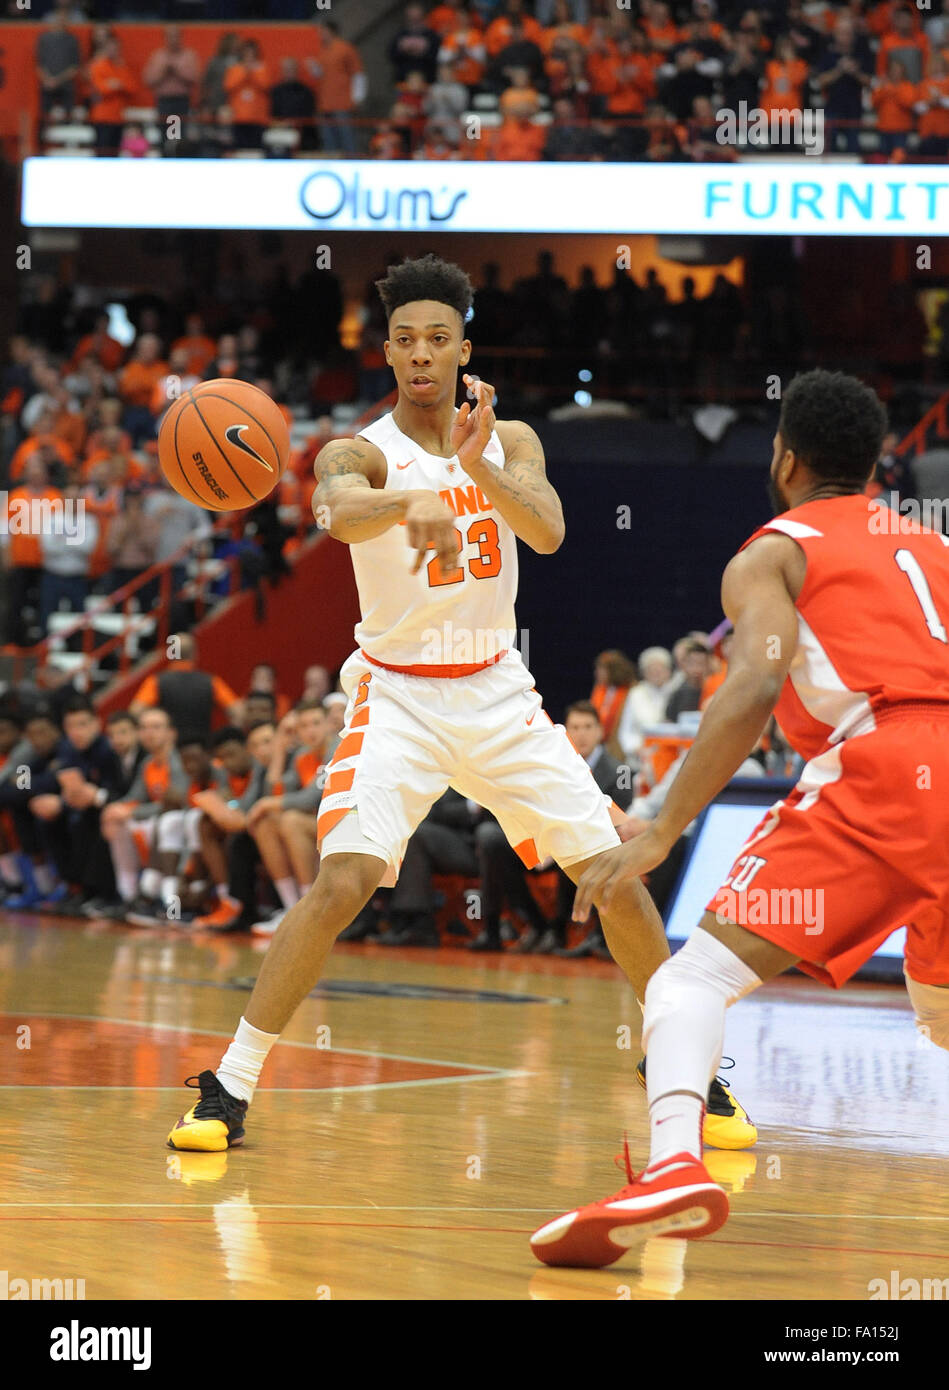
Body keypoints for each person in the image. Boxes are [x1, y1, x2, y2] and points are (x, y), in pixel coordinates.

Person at [168, 253, 754, 1155]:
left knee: (612, 872)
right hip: (397, 694)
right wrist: (411, 501)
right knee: (344, 881)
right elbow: (337, 510)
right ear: (389, 353)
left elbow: (549, 531)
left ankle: (684, 1064)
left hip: (494, 689)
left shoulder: (510, 439)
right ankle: (230, 1086)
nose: (420, 355)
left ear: (462, 348)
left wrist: (477, 469)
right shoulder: (358, 449)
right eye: (404, 340)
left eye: (437, 339)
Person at [531, 367, 949, 1266]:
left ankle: (676, 1166)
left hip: (883, 766)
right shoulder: (930, 545)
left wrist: (660, 829)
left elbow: (753, 682)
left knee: (689, 983)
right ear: (875, 463)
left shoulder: (775, 549)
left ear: (784, 456)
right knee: (942, 1016)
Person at [130, 633, 242, 743]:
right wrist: (228, 738)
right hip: (202, 746)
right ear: (195, 654)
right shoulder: (211, 682)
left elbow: (135, 711)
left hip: (170, 746)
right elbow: (238, 711)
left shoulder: (156, 682)